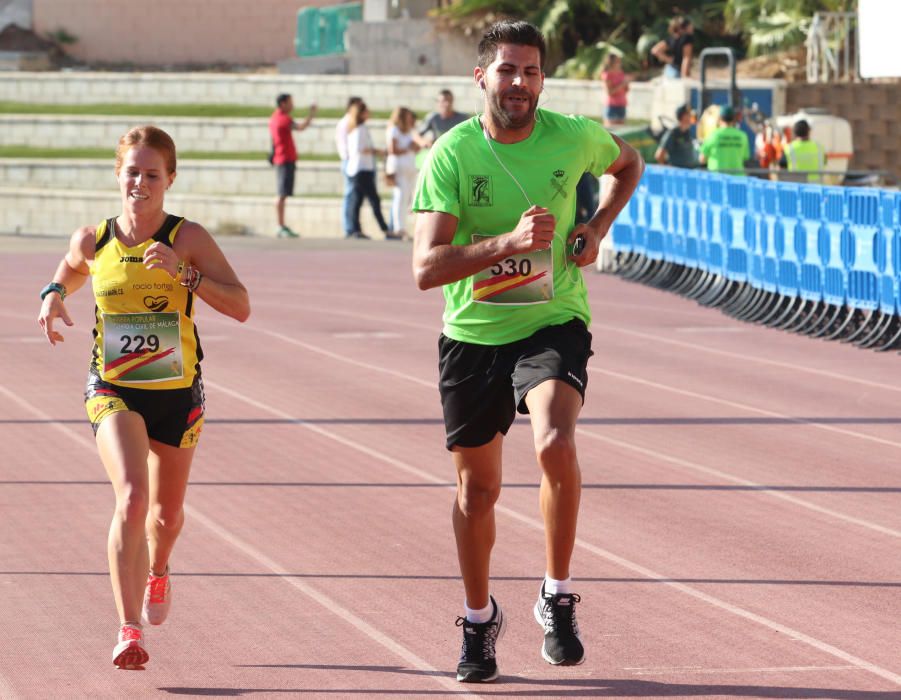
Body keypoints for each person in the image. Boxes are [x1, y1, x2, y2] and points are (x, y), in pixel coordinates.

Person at [411, 19, 643, 683]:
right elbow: (425, 269)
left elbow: (629, 163)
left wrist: (596, 226)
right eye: (507, 70)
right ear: (480, 77)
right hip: (473, 335)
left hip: (553, 318)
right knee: (476, 492)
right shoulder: (452, 155)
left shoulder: (572, 137)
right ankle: (479, 620)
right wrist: (506, 245)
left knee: (553, 442)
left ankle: (556, 594)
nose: (520, 83)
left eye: (531, 71)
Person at [36, 126, 250, 669]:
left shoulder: (188, 238)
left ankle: (159, 569)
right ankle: (129, 629)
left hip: (176, 393)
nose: (140, 182)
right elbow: (72, 266)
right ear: (118, 174)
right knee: (131, 496)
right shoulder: (94, 238)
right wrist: (54, 294)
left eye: (152, 174)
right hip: (112, 387)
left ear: (169, 180)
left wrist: (186, 273)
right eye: (132, 171)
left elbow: (241, 305)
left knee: (166, 515)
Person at [269, 93, 317, 238]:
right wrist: (311, 114)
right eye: (290, 102)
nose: (292, 105)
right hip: (284, 159)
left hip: (282, 158)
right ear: (283, 103)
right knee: (282, 194)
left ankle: (281, 225)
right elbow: (301, 127)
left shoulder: (274, 117)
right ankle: (280, 225)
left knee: (283, 193)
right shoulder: (283, 119)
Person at [346, 101, 390, 239]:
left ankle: (355, 229)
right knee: (371, 200)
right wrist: (377, 151)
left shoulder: (357, 129)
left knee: (358, 200)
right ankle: (384, 228)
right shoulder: (360, 130)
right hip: (361, 169)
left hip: (360, 169)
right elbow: (361, 149)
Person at [385, 106, 424, 240]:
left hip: (409, 167)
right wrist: (408, 148)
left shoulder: (408, 131)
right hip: (398, 168)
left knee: (408, 198)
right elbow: (392, 150)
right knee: (400, 197)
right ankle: (398, 228)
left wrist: (414, 147)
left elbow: (415, 147)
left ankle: (403, 227)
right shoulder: (394, 130)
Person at [335, 96, 364, 238]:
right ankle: (348, 227)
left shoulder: (353, 123)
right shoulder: (346, 122)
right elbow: (343, 144)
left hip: (353, 161)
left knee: (354, 196)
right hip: (349, 161)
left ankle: (352, 226)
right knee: (349, 195)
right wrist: (348, 159)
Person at [699, 105, 750, 175]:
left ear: (720, 118)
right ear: (733, 119)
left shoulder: (712, 135)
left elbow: (702, 159)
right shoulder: (743, 136)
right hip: (737, 181)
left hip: (717, 181)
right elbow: (745, 157)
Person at [655, 104, 698, 168]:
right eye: (689, 115)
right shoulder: (673, 133)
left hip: (689, 172)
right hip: (678, 174)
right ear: (683, 117)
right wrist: (669, 169)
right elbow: (659, 156)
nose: (692, 117)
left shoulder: (687, 133)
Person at [600, 53, 629, 127]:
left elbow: (626, 90)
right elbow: (609, 92)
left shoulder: (621, 73)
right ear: (611, 63)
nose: (620, 63)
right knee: (610, 133)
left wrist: (626, 85)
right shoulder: (607, 75)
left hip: (622, 105)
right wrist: (622, 85)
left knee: (620, 135)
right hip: (611, 107)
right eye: (617, 61)